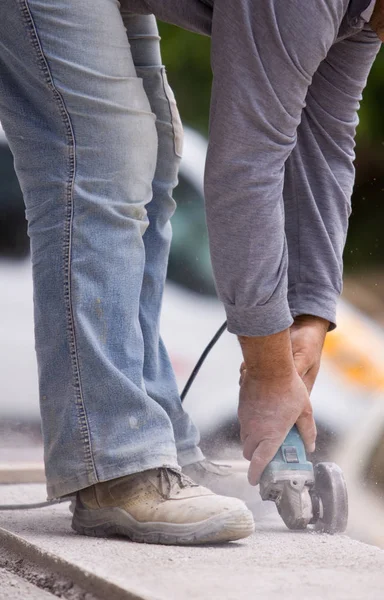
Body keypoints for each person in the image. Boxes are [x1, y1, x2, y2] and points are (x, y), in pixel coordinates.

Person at [0, 0, 381, 545]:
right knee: (104, 155)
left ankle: (158, 448)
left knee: (154, 149)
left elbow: (323, 147)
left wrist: (312, 313)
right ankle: (115, 464)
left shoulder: (364, 16)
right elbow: (245, 166)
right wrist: (269, 369)